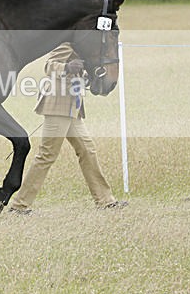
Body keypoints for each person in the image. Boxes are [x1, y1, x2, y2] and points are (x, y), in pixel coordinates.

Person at [9, 42, 127, 213]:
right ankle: (19, 206)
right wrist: (67, 67)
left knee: (87, 150)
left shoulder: (81, 43)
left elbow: (75, 74)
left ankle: (105, 201)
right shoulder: (67, 42)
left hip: (72, 107)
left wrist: (83, 76)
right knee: (47, 155)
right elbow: (49, 66)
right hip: (58, 105)